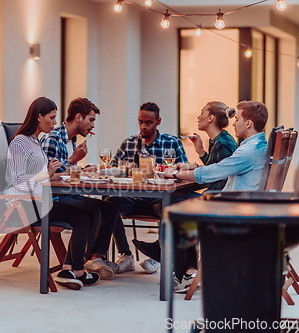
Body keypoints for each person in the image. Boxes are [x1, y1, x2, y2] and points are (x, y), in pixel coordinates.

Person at [164, 100, 268, 290]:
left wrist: (175, 174)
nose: (233, 123)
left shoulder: (249, 151)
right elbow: (218, 167)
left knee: (176, 214)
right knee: (180, 206)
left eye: (237, 119)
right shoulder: (259, 145)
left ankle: (185, 273)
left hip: (234, 209)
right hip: (242, 205)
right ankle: (188, 271)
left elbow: (214, 172)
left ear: (248, 123)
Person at [5, 97, 100, 290]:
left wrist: (59, 174)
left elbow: (44, 178)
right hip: (25, 206)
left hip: (39, 201)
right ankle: (76, 271)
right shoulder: (19, 143)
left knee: (87, 213)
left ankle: (71, 270)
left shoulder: (35, 141)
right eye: (52, 117)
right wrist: (47, 174)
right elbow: (17, 182)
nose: (55, 122)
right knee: (82, 215)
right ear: (39, 117)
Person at [41, 98, 130, 278]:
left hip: (69, 195)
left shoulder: (71, 140)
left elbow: (65, 171)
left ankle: (95, 257)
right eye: (91, 120)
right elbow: (46, 174)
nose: (93, 126)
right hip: (54, 199)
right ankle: (78, 264)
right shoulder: (53, 138)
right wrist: (73, 161)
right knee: (92, 210)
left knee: (110, 207)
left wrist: (81, 170)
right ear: (79, 117)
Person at [106, 102, 188, 274]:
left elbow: (183, 170)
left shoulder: (171, 142)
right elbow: (113, 169)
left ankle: (158, 255)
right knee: (108, 204)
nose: (144, 126)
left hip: (157, 199)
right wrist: (126, 170)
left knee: (170, 207)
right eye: (140, 122)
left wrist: (169, 172)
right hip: (133, 199)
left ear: (158, 121)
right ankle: (126, 255)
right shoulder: (129, 143)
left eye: (149, 122)